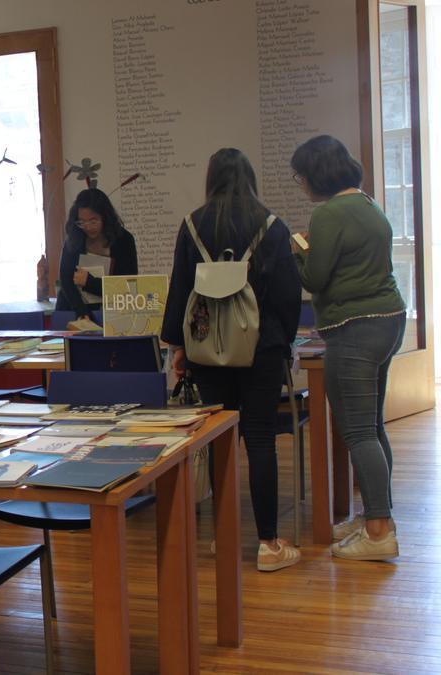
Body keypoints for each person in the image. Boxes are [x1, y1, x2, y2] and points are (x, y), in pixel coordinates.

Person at [161, 148, 303, 572]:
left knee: (220, 439)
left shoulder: (192, 224)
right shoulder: (273, 225)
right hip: (261, 348)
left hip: (206, 346)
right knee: (260, 440)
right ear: (250, 178)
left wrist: (178, 346)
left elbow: (180, 288)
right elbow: (287, 294)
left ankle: (223, 539)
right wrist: (284, 342)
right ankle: (268, 544)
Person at [291, 135, 406, 561]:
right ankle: (380, 518)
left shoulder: (329, 214)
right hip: (388, 319)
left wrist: (299, 249)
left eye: (301, 176)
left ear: (316, 174)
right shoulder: (369, 204)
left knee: (357, 430)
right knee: (372, 426)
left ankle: (378, 533)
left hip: (353, 327)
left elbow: (316, 279)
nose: (301, 184)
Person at [55, 188, 138, 319]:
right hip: (73, 310)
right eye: (82, 222)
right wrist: (81, 312)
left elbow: (126, 286)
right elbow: (66, 281)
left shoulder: (124, 240)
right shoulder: (75, 237)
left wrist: (90, 282)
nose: (87, 227)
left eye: (93, 221)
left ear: (105, 217)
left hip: (113, 314)